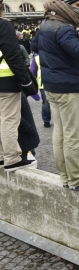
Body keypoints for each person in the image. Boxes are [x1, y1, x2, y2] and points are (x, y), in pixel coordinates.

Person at [31, 0, 79, 191]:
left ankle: (66, 176)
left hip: (52, 86)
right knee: (73, 134)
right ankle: (78, 178)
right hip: (68, 88)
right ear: (67, 5)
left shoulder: (46, 24)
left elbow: (35, 46)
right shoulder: (64, 28)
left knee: (60, 133)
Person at [0, 17, 37, 171]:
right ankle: (11, 159)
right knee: (9, 119)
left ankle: (2, 156)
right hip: (5, 81)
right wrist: (26, 81)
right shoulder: (3, 24)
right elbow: (13, 55)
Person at [30, 53, 51, 128]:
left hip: (54, 83)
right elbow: (32, 72)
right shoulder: (37, 58)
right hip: (44, 84)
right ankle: (46, 120)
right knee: (46, 104)